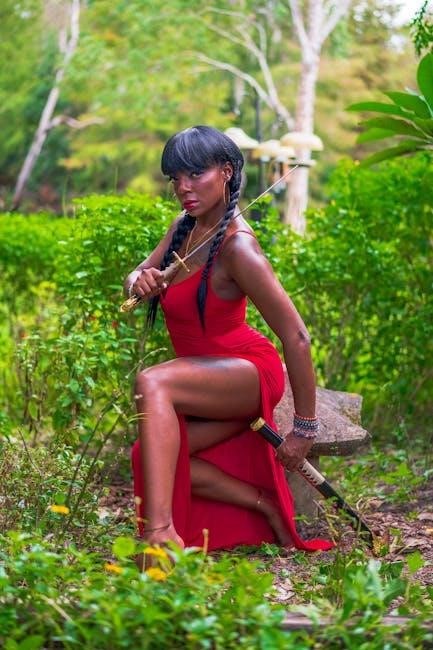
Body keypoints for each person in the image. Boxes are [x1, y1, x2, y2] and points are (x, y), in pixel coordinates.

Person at [125, 125, 332, 555]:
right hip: (202, 378)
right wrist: (139, 281)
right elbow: (136, 275)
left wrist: (304, 429)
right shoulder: (184, 227)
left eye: (195, 174)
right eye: (175, 178)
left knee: (152, 381)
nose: (183, 187)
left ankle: (159, 536)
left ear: (226, 171)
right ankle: (263, 504)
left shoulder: (239, 249)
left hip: (246, 373)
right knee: (148, 453)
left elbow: (296, 335)